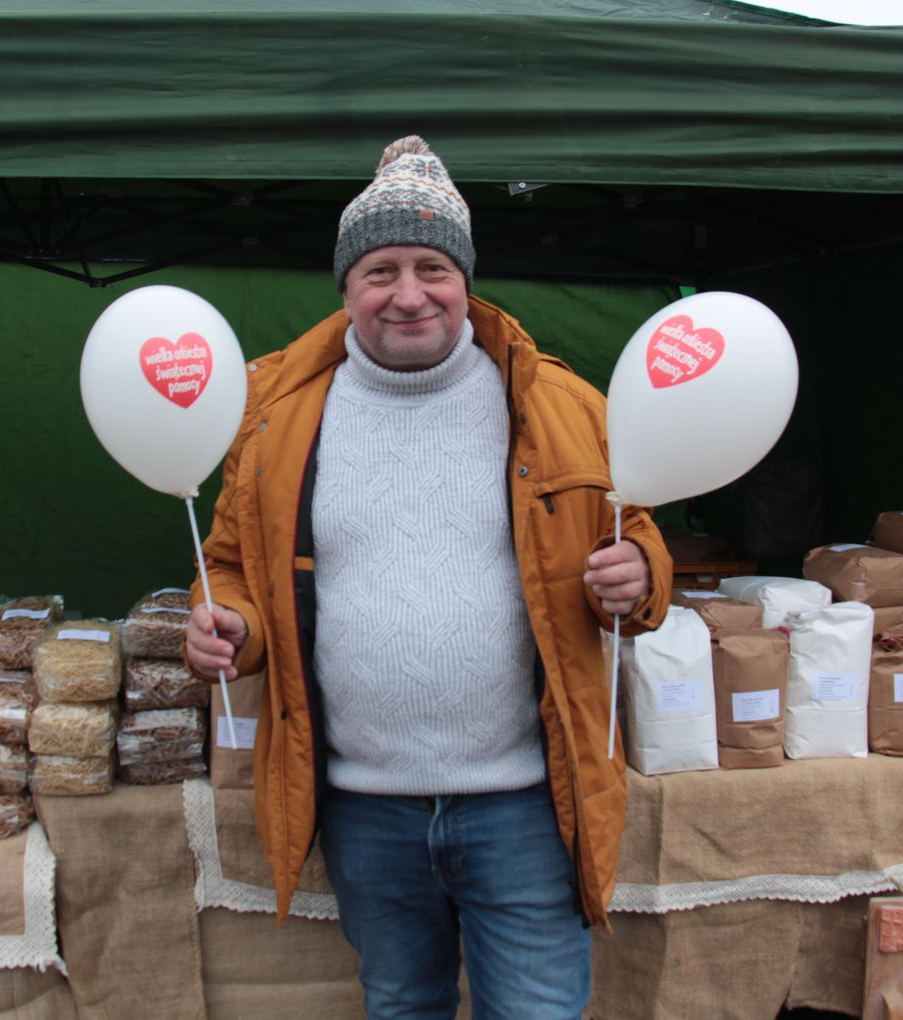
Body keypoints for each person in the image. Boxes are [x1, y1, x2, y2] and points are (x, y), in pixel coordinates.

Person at [186, 135, 672, 1019]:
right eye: (380, 270)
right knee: (402, 1004)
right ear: (346, 288)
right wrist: (232, 625)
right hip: (364, 807)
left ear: (465, 280)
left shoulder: (560, 406)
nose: (408, 294)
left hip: (526, 804)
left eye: (432, 268)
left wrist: (640, 576)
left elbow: (634, 534)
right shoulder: (275, 418)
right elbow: (230, 566)